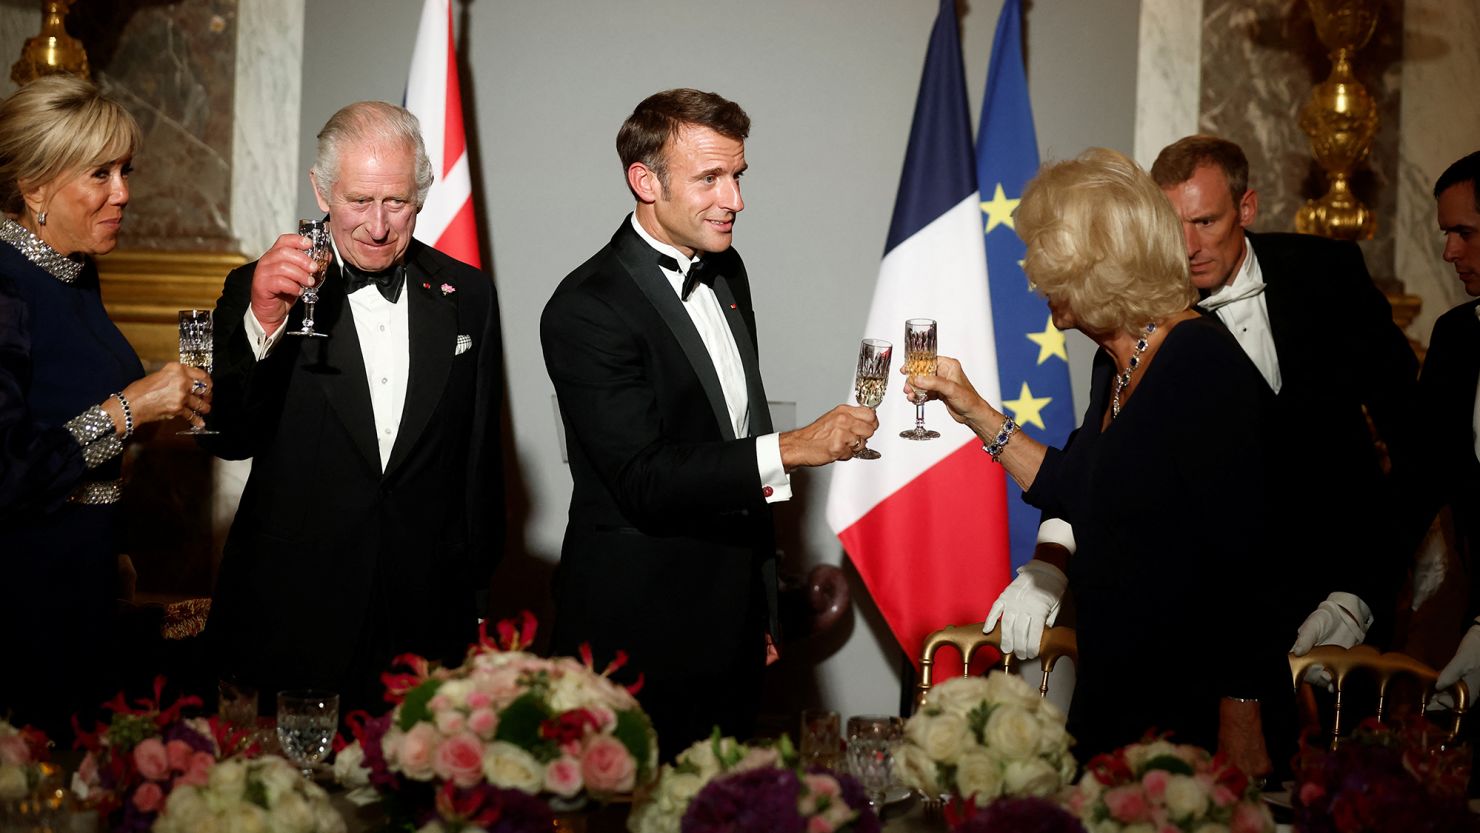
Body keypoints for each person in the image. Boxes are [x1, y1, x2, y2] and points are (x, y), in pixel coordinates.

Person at [984, 136, 1418, 687]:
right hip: (1200, 630)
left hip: (1331, 595)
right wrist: (1049, 562)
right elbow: (1091, 470)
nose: (1187, 247)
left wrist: (1360, 594)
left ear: (1246, 208)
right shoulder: (1144, 330)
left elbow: (1414, 446)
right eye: (1173, 227)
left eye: (1206, 222)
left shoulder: (1321, 279)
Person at [908, 147, 1284, 774]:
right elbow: (1073, 487)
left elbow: (1247, 567)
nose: (1036, 281)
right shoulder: (1114, 364)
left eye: (1052, 266)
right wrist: (968, 404)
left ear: (1103, 267)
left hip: (1192, 702)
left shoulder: (1199, 364)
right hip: (1117, 684)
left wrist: (1240, 716)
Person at [540, 88, 876, 761]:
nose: (735, 200)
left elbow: (728, 434)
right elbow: (642, 477)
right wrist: (796, 446)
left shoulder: (727, 270)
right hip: (634, 635)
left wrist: (763, 606)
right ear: (644, 180)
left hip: (732, 627)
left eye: (738, 175)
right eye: (709, 179)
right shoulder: (584, 308)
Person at [201, 101, 503, 714]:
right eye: (359, 201)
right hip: (293, 609)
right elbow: (226, 434)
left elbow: (478, 457)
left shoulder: (467, 294)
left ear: (421, 196)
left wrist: (473, 593)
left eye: (396, 202)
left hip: (424, 619)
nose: (378, 225)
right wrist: (263, 320)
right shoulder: (258, 287)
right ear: (321, 191)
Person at [0, 75, 211, 736]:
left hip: (84, 570)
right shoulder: (5, 283)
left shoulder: (71, 268)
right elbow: (8, 475)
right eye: (100, 174)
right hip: (21, 590)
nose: (123, 193)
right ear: (35, 187)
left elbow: (65, 413)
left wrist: (155, 420)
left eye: (126, 171)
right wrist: (130, 407)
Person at [1412, 151, 1480, 701]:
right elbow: (1417, 480)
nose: (1449, 251)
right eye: (1446, 232)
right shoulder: (1455, 336)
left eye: (1465, 232)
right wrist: (1352, 597)